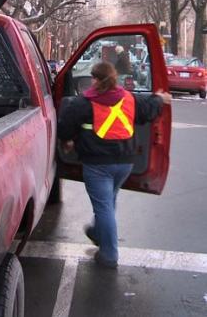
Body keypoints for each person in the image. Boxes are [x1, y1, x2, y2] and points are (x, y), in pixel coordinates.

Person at [57, 61, 170, 269]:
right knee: (108, 201)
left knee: (104, 206)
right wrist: (160, 99)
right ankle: (98, 231)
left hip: (98, 165)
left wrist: (69, 140)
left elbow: (65, 126)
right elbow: (148, 109)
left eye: (92, 77)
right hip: (125, 164)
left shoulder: (84, 103)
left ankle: (109, 254)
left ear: (97, 80)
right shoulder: (129, 98)